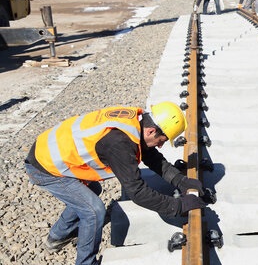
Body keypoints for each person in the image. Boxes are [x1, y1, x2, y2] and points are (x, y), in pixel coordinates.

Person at [24, 101, 207, 265]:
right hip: (44, 167)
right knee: (94, 211)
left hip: (50, 149)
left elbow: (150, 155)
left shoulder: (136, 123)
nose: (160, 146)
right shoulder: (119, 143)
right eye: (161, 141)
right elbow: (137, 192)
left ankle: (57, 237)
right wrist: (178, 206)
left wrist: (180, 180)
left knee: (93, 188)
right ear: (152, 131)